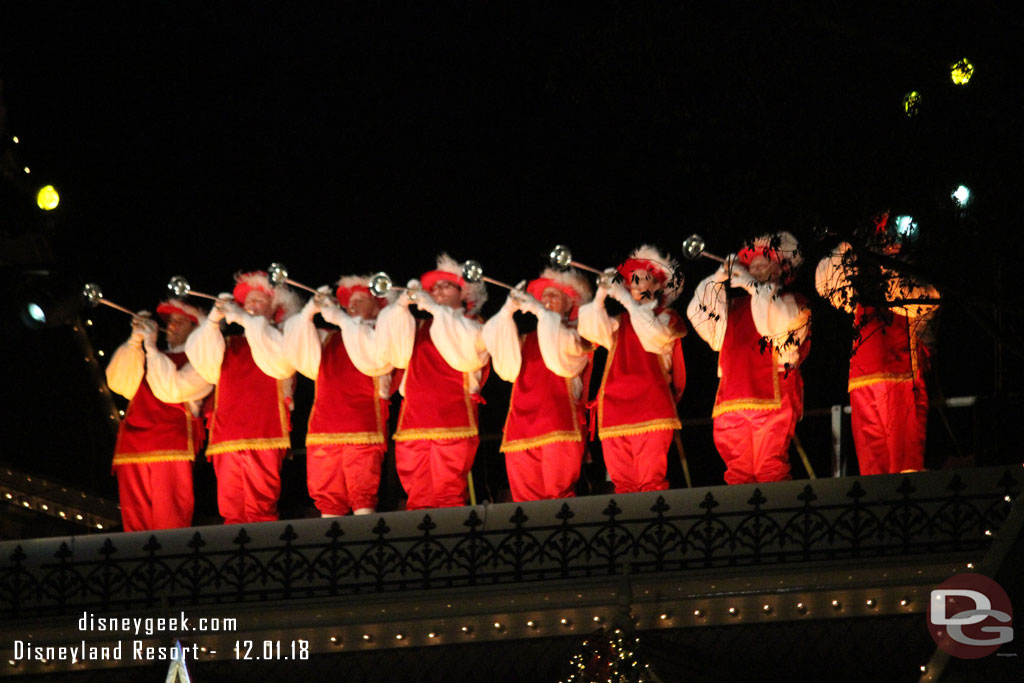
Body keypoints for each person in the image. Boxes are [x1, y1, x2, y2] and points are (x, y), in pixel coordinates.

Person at [815, 217, 939, 474]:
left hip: (902, 375)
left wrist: (886, 267)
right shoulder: (860, 279)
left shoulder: (908, 274)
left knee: (905, 464)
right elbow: (826, 282)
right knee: (872, 467)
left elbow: (925, 300)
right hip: (862, 379)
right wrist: (850, 244)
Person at [687, 232, 811, 485]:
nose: (754, 268)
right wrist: (717, 278)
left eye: (763, 263)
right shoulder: (732, 308)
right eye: (751, 265)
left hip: (774, 396)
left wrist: (753, 287)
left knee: (770, 470)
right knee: (737, 474)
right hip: (732, 400)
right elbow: (699, 314)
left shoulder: (793, 301)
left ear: (780, 270)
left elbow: (778, 328)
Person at [376, 253, 489, 510]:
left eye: (446, 286)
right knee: (418, 498)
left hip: (453, 422)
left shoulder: (472, 324)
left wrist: (435, 309)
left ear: (464, 293)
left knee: (449, 495)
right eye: (434, 288)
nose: (437, 291)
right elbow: (393, 353)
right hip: (414, 422)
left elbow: (469, 355)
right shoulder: (418, 326)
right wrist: (400, 306)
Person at [185, 271, 299, 524]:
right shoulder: (228, 342)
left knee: (261, 506)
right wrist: (213, 320)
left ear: (274, 309)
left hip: (265, 430)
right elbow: (204, 362)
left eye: (258, 301)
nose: (250, 306)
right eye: (248, 302)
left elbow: (281, 361)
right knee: (231, 508)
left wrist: (249, 322)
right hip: (228, 432)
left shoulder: (281, 336)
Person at [577, 245, 686, 494]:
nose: (634, 282)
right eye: (630, 279)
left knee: (651, 484)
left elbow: (652, 336)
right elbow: (591, 331)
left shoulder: (666, 316)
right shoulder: (619, 322)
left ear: (658, 284)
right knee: (623, 486)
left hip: (651, 409)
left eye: (642, 277)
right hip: (615, 411)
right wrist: (600, 296)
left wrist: (625, 299)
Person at [283, 276, 394, 516]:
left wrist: (343, 320)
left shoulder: (381, 333)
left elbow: (375, 354)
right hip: (324, 427)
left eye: (361, 300)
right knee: (327, 496)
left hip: (362, 425)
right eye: (350, 302)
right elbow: (297, 351)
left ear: (379, 305)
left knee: (363, 493)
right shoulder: (328, 337)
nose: (352, 306)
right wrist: (308, 312)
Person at [482, 268, 593, 502]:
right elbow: (505, 367)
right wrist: (506, 311)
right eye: (545, 295)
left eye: (555, 295)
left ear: (569, 303)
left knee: (559, 498)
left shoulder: (578, 334)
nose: (547, 300)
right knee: (525, 501)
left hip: (559, 426)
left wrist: (540, 312)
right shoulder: (524, 340)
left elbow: (563, 359)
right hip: (520, 428)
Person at [106, 299, 212, 531]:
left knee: (170, 521)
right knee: (135, 524)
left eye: (180, 322)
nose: (171, 327)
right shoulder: (149, 358)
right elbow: (119, 383)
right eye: (170, 321)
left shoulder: (202, 363)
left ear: (196, 330)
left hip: (170, 448)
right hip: (133, 446)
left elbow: (171, 390)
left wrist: (151, 349)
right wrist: (135, 340)